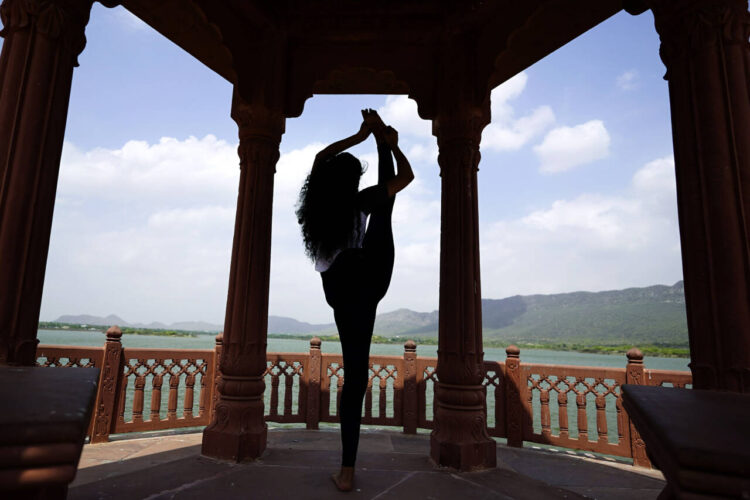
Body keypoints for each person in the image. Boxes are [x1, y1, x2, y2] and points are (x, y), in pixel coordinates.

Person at [296, 109, 414, 491]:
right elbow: (406, 178)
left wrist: (358, 136)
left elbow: (319, 159)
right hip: (368, 276)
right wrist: (390, 146)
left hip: (340, 288)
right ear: (350, 182)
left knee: (354, 376)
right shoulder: (359, 200)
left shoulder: (315, 207)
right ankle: (346, 469)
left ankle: (346, 470)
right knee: (385, 209)